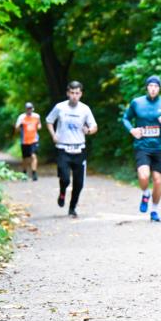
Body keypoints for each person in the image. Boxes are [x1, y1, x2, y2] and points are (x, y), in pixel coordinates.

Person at [122, 75, 161, 222]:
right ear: (147, 87)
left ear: (159, 88)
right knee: (143, 176)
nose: (153, 89)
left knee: (158, 181)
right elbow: (126, 118)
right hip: (142, 146)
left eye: (156, 86)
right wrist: (132, 130)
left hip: (160, 148)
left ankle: (154, 210)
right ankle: (145, 193)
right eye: (151, 86)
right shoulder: (137, 103)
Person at [46, 81, 98, 218]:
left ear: (81, 94)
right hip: (63, 148)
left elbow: (94, 126)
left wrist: (89, 130)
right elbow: (49, 121)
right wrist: (53, 135)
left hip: (79, 149)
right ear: (68, 93)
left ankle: (72, 207)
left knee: (79, 183)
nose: (74, 96)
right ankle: (62, 191)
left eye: (77, 93)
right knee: (65, 178)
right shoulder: (60, 107)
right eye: (72, 93)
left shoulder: (85, 109)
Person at [14, 102, 41, 181]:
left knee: (33, 156)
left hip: (34, 140)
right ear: (26, 109)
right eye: (28, 108)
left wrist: (37, 126)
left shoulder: (36, 116)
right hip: (25, 141)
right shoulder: (21, 117)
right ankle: (24, 172)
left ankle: (34, 173)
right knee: (25, 158)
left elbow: (39, 126)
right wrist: (20, 125)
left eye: (30, 108)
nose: (29, 110)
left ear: (33, 108)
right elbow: (16, 129)